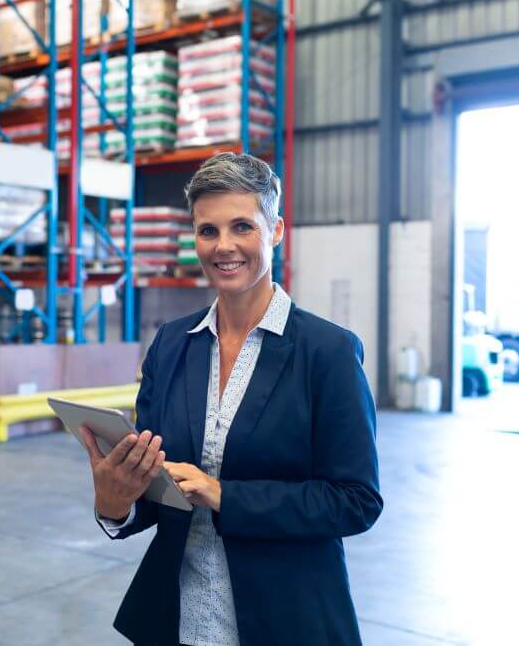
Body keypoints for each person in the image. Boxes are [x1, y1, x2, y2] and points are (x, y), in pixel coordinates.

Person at [81, 152, 382, 646]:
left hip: (286, 620)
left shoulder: (325, 352)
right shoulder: (173, 344)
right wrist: (116, 504)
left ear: (276, 230)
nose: (223, 246)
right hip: (179, 620)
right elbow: (160, 487)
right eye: (207, 231)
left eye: (242, 226)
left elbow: (356, 501)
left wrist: (224, 495)